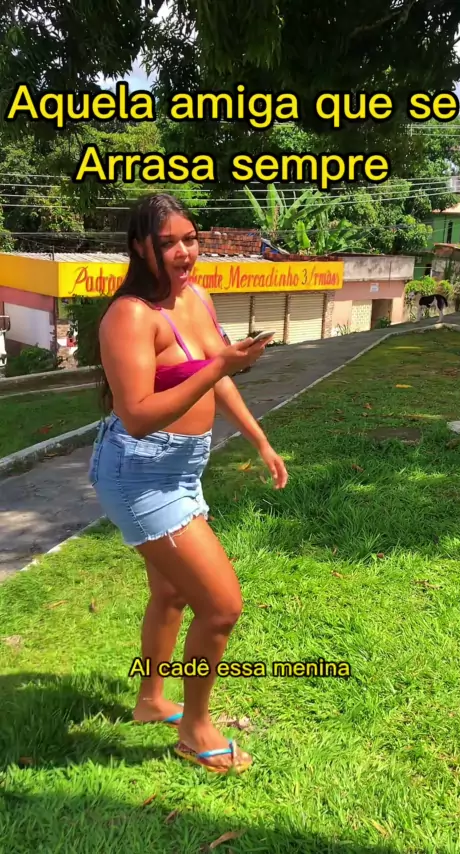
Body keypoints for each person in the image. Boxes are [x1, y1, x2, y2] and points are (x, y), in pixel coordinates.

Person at [88, 193, 288, 774]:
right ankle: (196, 730)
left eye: (190, 239)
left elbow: (215, 375)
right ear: (139, 247)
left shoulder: (196, 296)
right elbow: (136, 415)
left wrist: (259, 439)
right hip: (140, 473)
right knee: (221, 607)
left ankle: (152, 700)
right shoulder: (130, 316)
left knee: (172, 593)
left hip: (183, 465)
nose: (184, 252)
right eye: (168, 242)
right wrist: (220, 365)